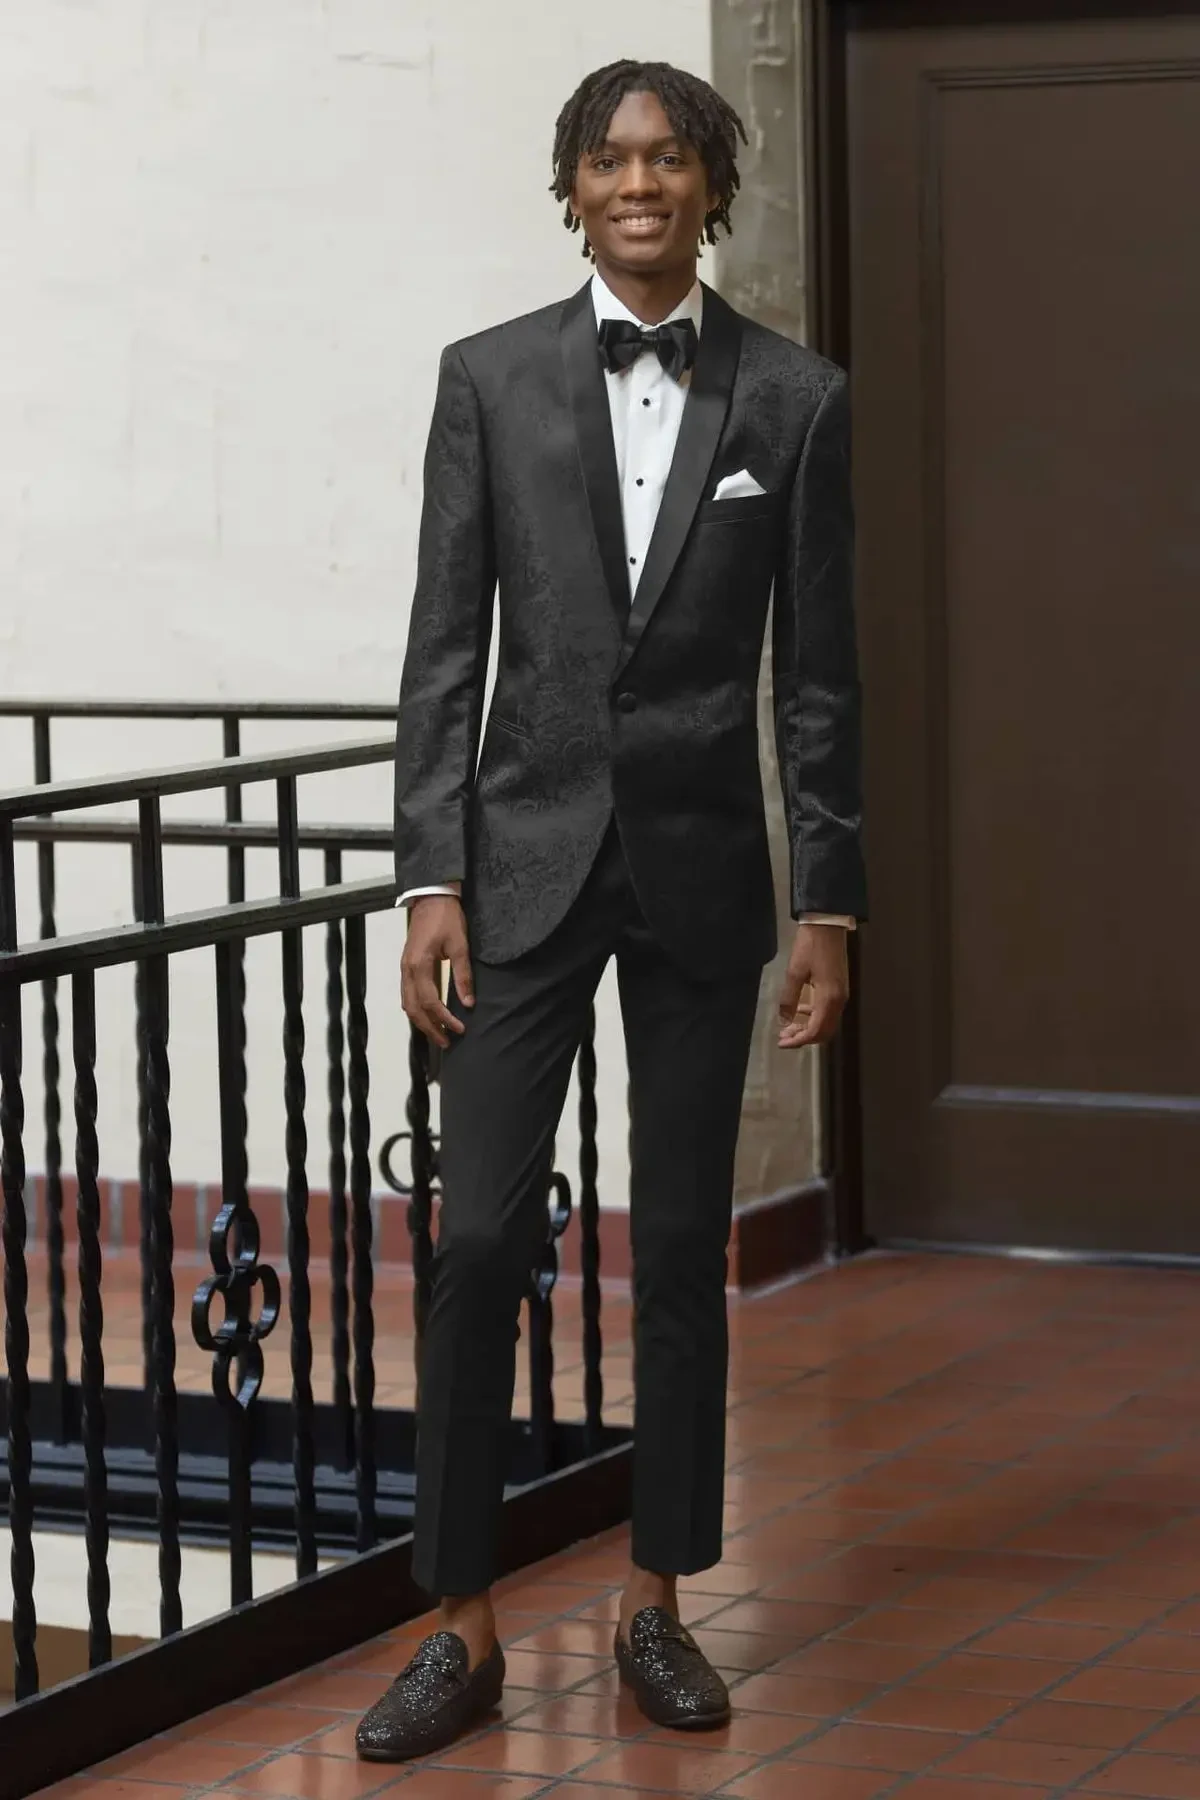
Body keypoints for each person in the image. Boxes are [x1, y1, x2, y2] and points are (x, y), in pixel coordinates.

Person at [356, 57, 866, 1763]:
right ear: (570, 188)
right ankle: (460, 1625)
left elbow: (823, 688)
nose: (639, 184)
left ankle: (657, 1604)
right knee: (483, 1235)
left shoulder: (794, 400)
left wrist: (833, 905)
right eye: (609, 159)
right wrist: (430, 877)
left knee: (674, 1254)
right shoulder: (487, 382)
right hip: (515, 871)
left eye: (669, 159)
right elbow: (444, 652)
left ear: (712, 187)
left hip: (708, 876)